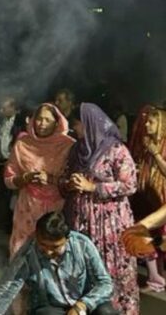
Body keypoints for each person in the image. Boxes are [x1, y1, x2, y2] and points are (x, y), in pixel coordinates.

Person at [64, 103, 139, 314]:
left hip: (111, 223)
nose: (75, 129)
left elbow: (129, 184)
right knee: (87, 269)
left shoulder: (116, 149)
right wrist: (69, 184)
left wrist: (93, 187)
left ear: (90, 124)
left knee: (112, 268)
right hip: (83, 221)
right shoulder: (77, 150)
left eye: (77, 124)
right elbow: (64, 177)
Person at [0, 210, 119, 314]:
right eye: (43, 245)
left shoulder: (83, 245)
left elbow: (105, 284)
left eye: (54, 247)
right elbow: (7, 289)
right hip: (50, 307)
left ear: (67, 238)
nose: (47, 252)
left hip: (83, 303)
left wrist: (82, 305)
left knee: (106, 311)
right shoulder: (27, 253)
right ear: (36, 236)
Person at [4, 103, 74, 257]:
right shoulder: (23, 144)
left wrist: (51, 179)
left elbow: (74, 180)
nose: (42, 124)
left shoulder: (68, 146)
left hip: (56, 210)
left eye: (47, 120)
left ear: (57, 122)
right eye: (39, 119)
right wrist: (25, 178)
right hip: (26, 208)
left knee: (51, 252)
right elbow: (8, 179)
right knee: (21, 251)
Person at [128, 105, 166, 291]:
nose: (147, 125)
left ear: (161, 124)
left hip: (161, 198)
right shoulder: (145, 142)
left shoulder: (163, 144)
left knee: (158, 238)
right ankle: (156, 278)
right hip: (146, 196)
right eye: (146, 122)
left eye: (151, 122)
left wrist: (156, 153)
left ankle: (157, 278)